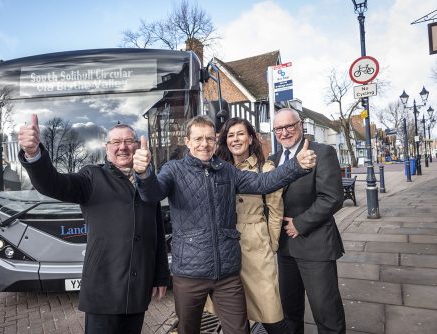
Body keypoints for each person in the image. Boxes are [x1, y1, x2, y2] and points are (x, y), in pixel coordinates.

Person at [133, 115, 317, 334]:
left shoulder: (226, 170)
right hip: (190, 273)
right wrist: (144, 173)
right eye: (198, 139)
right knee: (188, 329)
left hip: (227, 274)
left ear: (215, 140)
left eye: (210, 139)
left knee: (239, 330)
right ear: (187, 141)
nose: (204, 144)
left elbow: (263, 183)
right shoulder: (173, 170)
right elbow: (153, 193)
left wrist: (296, 165)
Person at [18, 114, 169, 334]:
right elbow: (52, 184)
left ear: (137, 146)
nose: (123, 147)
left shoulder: (148, 182)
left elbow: (156, 232)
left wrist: (160, 276)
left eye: (128, 141)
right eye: (116, 142)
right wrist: (33, 154)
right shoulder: (92, 177)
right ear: (107, 148)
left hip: (137, 288)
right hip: (103, 290)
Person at [269, 108, 346, 334]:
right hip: (284, 249)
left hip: (315, 246)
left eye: (289, 126)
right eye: (279, 128)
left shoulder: (322, 152)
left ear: (301, 125)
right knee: (290, 313)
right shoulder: (272, 160)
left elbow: (332, 197)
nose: (284, 132)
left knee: (326, 313)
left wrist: (300, 224)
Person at [215, 117, 288, 333]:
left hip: (257, 244)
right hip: (227, 245)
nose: (235, 139)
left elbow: (275, 209)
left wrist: (271, 245)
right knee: (235, 313)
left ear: (250, 138)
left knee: (270, 310)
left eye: (240, 134)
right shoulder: (219, 168)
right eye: (230, 135)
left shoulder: (265, 168)